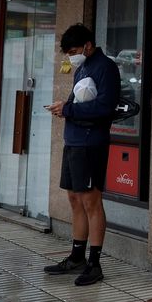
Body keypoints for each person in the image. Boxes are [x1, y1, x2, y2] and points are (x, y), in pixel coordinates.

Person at [42, 23, 120, 286]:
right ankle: (77, 256)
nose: (71, 57)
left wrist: (69, 110)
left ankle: (95, 263)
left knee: (91, 201)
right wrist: (62, 107)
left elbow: (105, 107)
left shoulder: (106, 67)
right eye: (68, 53)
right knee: (74, 199)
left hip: (91, 143)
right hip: (73, 140)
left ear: (88, 45)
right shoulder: (82, 68)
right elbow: (75, 103)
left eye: (74, 50)